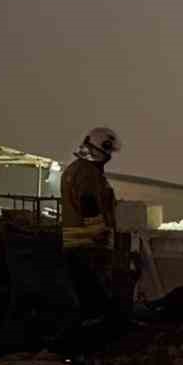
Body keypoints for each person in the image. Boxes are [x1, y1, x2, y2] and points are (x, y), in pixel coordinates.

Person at [60, 127, 121, 322]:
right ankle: (92, 340)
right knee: (94, 298)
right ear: (98, 149)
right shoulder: (88, 172)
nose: (109, 157)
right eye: (108, 152)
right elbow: (88, 203)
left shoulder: (75, 168)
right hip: (88, 245)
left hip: (76, 244)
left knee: (84, 294)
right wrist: (99, 232)